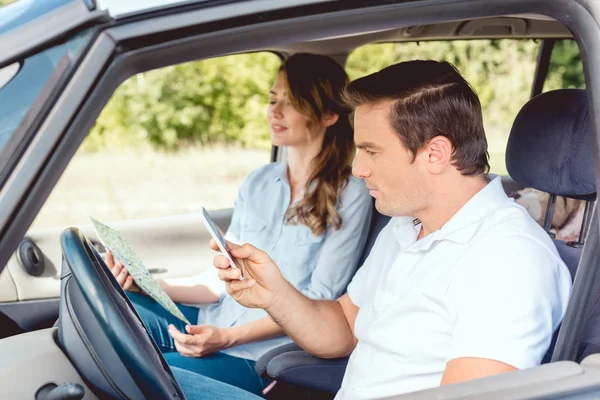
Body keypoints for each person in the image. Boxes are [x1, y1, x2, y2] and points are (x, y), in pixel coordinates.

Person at [171, 60, 572, 400]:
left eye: (372, 151)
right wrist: (274, 293)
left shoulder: (508, 259)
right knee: (149, 376)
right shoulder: (407, 227)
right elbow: (344, 328)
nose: (358, 168)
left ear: (435, 153)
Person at [106, 53, 373, 394]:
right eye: (273, 99)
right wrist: (146, 285)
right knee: (112, 316)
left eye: (290, 103)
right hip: (211, 324)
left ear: (328, 115)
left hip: (261, 356)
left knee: (144, 376)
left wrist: (229, 338)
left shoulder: (352, 193)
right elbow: (217, 282)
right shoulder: (258, 182)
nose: (273, 112)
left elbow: (318, 299)